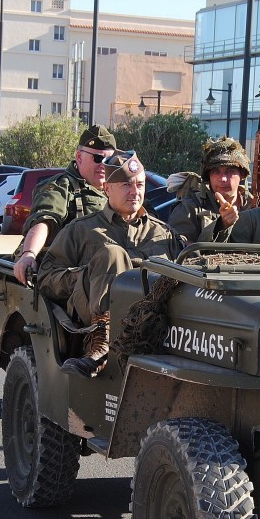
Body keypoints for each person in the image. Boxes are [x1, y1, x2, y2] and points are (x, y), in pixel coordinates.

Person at [37, 152, 184, 377]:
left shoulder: (163, 233)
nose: (135, 192)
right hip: (92, 317)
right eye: (126, 185)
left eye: (140, 184)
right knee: (112, 254)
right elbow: (46, 277)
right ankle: (101, 344)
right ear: (107, 189)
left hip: (151, 322)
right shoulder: (82, 230)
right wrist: (88, 276)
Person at [12, 124, 116, 284]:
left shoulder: (117, 190)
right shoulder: (61, 186)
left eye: (109, 160)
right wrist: (29, 254)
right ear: (79, 157)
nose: (103, 165)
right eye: (98, 158)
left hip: (109, 270)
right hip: (70, 274)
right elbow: (45, 219)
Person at [168, 136, 254, 243]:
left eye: (230, 171)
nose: (222, 178)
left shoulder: (255, 205)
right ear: (208, 177)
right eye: (215, 172)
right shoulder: (188, 209)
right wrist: (221, 225)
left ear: (242, 174)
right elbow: (178, 249)